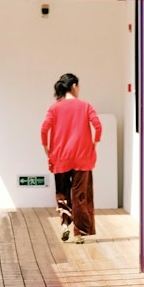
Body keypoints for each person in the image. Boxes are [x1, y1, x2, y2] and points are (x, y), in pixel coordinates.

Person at [40, 72, 102, 242]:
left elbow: (44, 129)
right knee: (80, 194)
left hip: (60, 157)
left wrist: (47, 150)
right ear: (74, 86)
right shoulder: (85, 106)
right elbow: (97, 125)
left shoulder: (54, 108)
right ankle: (80, 233)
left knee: (63, 192)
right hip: (83, 158)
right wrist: (95, 143)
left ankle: (65, 225)